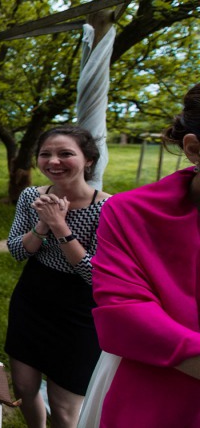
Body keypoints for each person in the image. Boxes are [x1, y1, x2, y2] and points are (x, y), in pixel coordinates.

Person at [87, 83, 200, 427]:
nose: (54, 162)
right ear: (194, 149)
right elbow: (125, 310)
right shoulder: (128, 212)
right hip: (153, 394)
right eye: (47, 154)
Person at [4, 126, 110, 427]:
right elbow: (16, 250)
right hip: (32, 298)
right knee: (24, 387)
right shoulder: (30, 197)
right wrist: (42, 225)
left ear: (88, 160)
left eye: (66, 154)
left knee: (64, 409)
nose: (54, 161)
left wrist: (60, 226)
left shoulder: (108, 208)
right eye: (45, 154)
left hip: (79, 311)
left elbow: (95, 274)